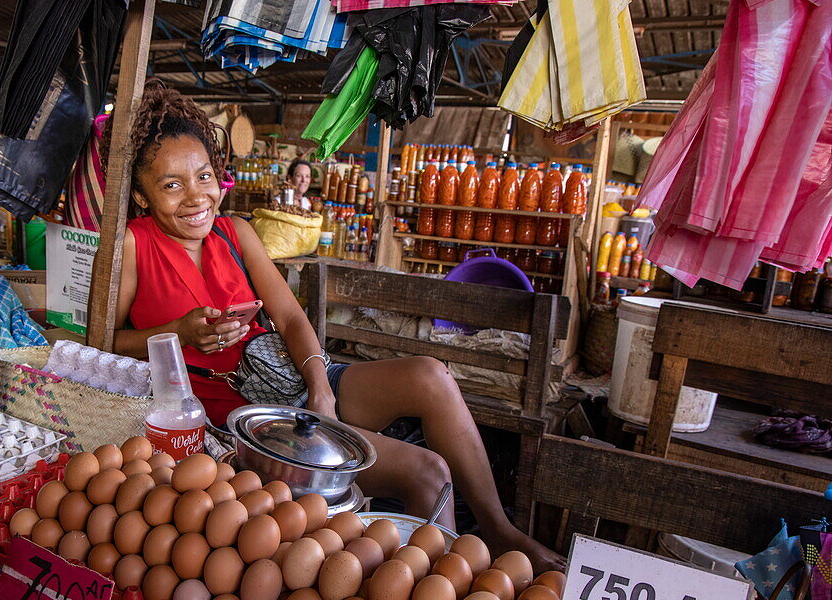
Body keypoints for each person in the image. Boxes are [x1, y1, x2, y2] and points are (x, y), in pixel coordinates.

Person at [100, 83, 563, 572]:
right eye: (172, 185)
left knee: (430, 374)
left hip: (291, 381)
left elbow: (293, 318)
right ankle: (437, 594)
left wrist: (321, 390)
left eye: (204, 176)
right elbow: (104, 343)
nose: (196, 197)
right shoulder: (133, 244)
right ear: (140, 195)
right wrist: (179, 332)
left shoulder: (236, 233)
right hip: (238, 419)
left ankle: (498, 528)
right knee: (428, 473)